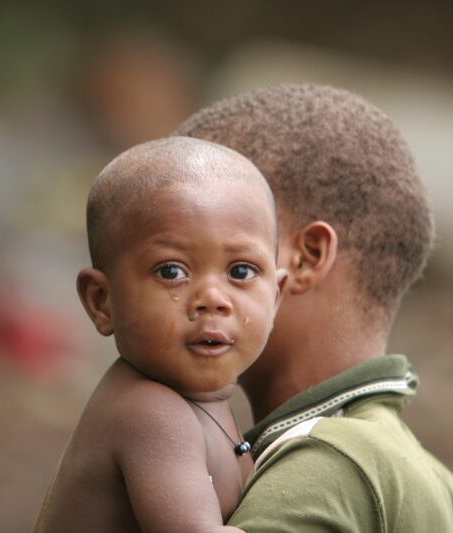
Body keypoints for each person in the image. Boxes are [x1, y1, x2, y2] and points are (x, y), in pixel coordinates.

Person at [176, 83, 453, 532]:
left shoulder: (322, 470)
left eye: (204, 245)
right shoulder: (442, 488)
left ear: (305, 259)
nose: (176, 286)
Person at [33, 136, 287, 533]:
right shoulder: (149, 413)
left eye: (240, 271)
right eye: (171, 271)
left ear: (275, 298)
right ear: (103, 302)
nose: (212, 299)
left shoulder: (201, 405)